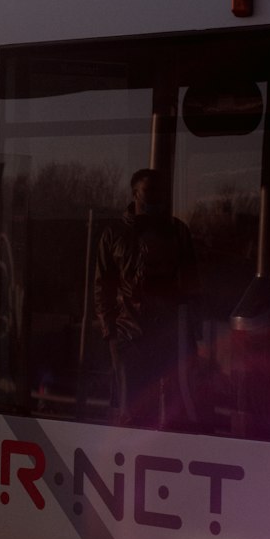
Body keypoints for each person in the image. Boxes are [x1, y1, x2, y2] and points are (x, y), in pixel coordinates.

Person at [94, 169, 201, 427]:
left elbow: (192, 287)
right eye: (149, 191)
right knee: (131, 411)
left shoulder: (177, 232)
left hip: (168, 334)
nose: (157, 197)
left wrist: (189, 333)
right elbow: (102, 286)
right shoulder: (115, 233)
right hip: (128, 333)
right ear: (135, 193)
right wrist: (111, 332)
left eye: (160, 192)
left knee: (171, 413)